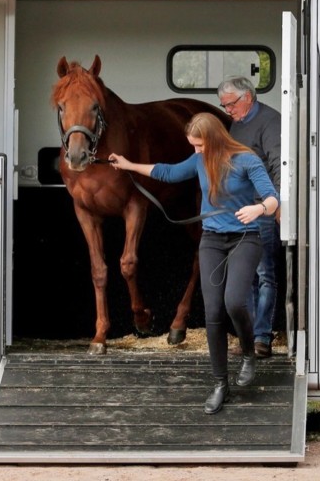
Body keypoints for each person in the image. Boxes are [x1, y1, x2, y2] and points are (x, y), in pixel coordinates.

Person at [108, 112, 278, 415]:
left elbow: (272, 198)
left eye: (199, 145)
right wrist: (128, 164)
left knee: (235, 303)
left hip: (244, 239)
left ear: (212, 139)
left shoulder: (246, 160)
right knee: (212, 311)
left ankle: (249, 354)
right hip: (212, 239)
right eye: (193, 146)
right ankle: (220, 384)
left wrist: (258, 209)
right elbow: (168, 172)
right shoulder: (200, 160)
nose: (196, 151)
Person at [217, 76, 282, 359]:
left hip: (263, 209)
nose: (228, 110)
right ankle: (248, 337)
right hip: (240, 209)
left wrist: (277, 205)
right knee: (245, 275)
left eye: (230, 104)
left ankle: (262, 338)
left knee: (265, 273)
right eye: (224, 106)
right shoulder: (237, 123)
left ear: (247, 97)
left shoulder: (270, 121)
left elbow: (279, 163)